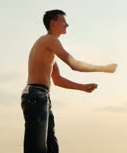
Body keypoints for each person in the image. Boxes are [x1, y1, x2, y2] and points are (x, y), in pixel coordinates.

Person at [21, 9, 117, 153]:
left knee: (52, 147)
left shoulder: (49, 48)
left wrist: (82, 87)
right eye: (64, 21)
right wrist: (104, 68)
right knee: (37, 149)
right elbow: (74, 64)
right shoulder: (49, 40)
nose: (67, 25)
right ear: (53, 23)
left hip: (41, 96)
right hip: (35, 96)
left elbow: (57, 80)